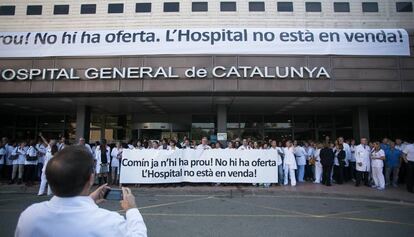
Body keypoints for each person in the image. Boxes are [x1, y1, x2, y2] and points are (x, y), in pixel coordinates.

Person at [15, 145, 147, 237]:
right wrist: (132, 210)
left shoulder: (29, 216)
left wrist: (89, 200)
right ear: (91, 179)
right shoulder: (108, 221)